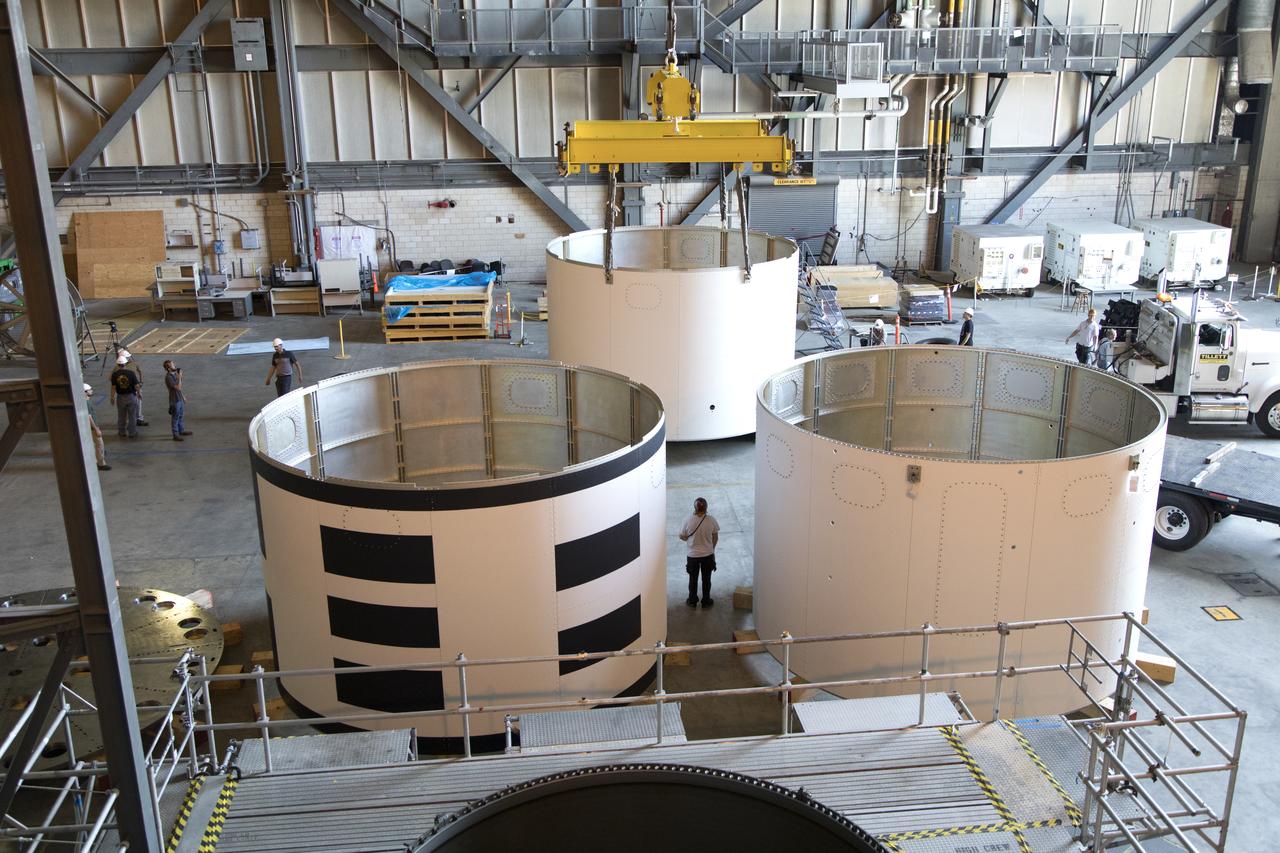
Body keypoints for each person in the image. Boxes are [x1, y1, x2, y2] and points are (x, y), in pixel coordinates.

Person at [678, 497, 720, 608]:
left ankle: (692, 601)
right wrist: (711, 548)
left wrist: (688, 538)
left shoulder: (687, 520)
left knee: (693, 579)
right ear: (706, 507)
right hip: (707, 555)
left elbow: (681, 536)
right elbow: (715, 537)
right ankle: (706, 601)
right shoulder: (711, 520)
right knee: (706, 579)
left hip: (692, 556)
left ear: (695, 508)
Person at [109, 354, 140, 438]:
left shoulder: (115, 375)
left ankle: (122, 432)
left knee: (121, 415)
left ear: (118, 364)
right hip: (131, 396)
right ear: (125, 363)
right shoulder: (131, 373)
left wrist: (112, 397)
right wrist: (139, 394)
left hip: (120, 397)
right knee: (132, 415)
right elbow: (136, 385)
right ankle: (132, 432)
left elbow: (113, 387)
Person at [164, 360, 192, 441]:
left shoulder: (174, 374)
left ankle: (181, 430)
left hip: (179, 398)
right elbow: (178, 387)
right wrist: (179, 377)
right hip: (175, 400)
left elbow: (179, 390)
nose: (174, 366)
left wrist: (183, 396)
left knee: (181, 415)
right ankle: (175, 435)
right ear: (169, 369)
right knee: (175, 417)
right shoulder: (168, 377)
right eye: (172, 365)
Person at [84, 384, 110, 471]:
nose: (92, 391)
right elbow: (89, 417)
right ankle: (101, 463)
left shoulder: (86, 401)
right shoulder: (86, 403)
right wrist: (96, 429)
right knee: (99, 445)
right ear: (85, 392)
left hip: (91, 427)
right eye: (89, 390)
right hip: (92, 428)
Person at [120, 350, 148, 427]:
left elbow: (140, 371)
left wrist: (141, 382)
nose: (130, 358)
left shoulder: (134, 364)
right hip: (127, 390)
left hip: (136, 387)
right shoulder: (119, 367)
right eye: (128, 357)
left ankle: (139, 419)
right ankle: (130, 421)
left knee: (138, 403)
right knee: (128, 406)